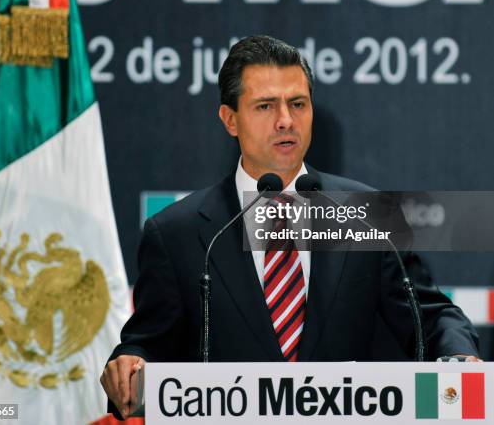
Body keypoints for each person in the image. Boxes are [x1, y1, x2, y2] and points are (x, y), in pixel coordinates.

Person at [101, 35, 480, 419]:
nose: (286, 120)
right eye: (265, 106)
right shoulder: (178, 234)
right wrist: (129, 365)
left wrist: (459, 356)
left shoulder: (364, 213)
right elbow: (147, 345)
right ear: (230, 119)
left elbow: (431, 316)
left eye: (298, 104)